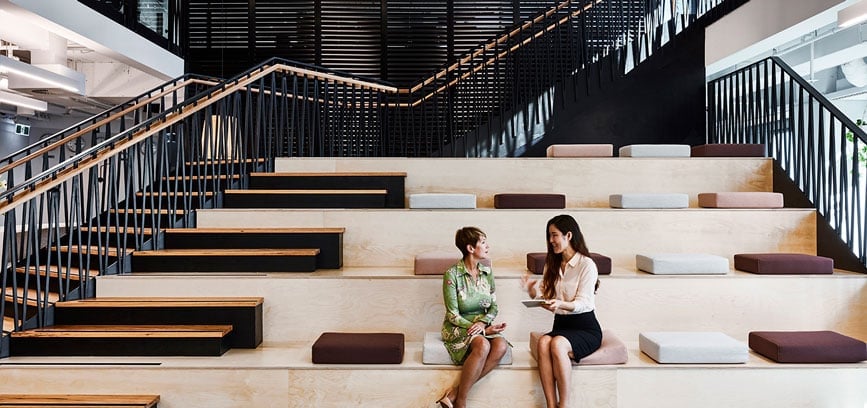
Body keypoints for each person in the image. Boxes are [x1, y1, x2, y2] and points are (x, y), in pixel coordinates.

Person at [520, 214, 602, 408]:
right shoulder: (552, 263)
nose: (551, 240)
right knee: (543, 342)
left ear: (569, 235)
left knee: (557, 344)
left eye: (554, 235)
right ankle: (551, 404)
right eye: (549, 236)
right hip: (562, 325)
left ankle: (564, 405)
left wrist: (561, 304)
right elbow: (548, 297)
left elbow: (584, 303)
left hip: (585, 327)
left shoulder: (586, 265)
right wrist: (533, 293)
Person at [437, 226, 509, 408]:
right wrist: (481, 329)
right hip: (458, 327)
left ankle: (454, 393)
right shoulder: (452, 275)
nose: (487, 246)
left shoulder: (487, 272)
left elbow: (494, 305)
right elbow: (452, 314)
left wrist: (484, 324)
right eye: (483, 242)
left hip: (482, 326)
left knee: (501, 345)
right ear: (470, 248)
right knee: (483, 345)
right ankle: (461, 401)